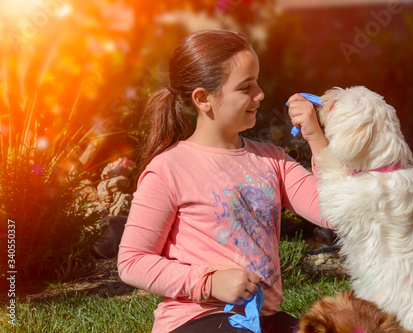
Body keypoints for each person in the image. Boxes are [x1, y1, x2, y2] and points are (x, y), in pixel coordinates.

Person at [117, 29, 332, 333]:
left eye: (257, 82)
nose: (260, 94)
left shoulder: (273, 160)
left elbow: (332, 211)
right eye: (246, 87)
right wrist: (209, 282)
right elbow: (132, 261)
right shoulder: (169, 168)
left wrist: (315, 137)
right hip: (197, 319)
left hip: (263, 320)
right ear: (203, 98)